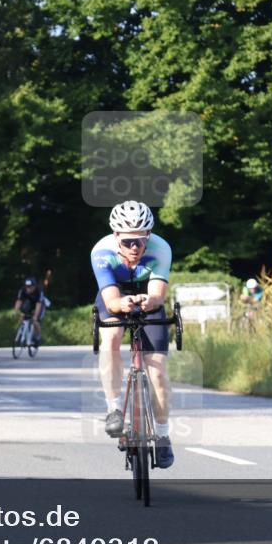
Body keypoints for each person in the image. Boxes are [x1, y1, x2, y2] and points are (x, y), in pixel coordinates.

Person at [91, 200, 174, 469]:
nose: (135, 248)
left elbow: (158, 295)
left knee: (158, 371)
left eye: (141, 240)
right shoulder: (101, 252)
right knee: (112, 337)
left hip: (148, 298)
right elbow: (112, 300)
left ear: (149, 235)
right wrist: (122, 304)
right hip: (115, 295)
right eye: (128, 242)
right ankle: (114, 409)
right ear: (116, 237)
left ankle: (162, 437)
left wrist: (146, 301)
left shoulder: (161, 249)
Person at [13, 277, 47, 346]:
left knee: (35, 321)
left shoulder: (39, 291)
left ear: (34, 286)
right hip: (30, 304)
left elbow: (38, 305)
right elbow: (19, 301)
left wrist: (35, 316)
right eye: (27, 287)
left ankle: (38, 336)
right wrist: (15, 312)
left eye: (30, 287)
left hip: (40, 305)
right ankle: (23, 330)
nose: (28, 289)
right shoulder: (22, 290)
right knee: (22, 315)